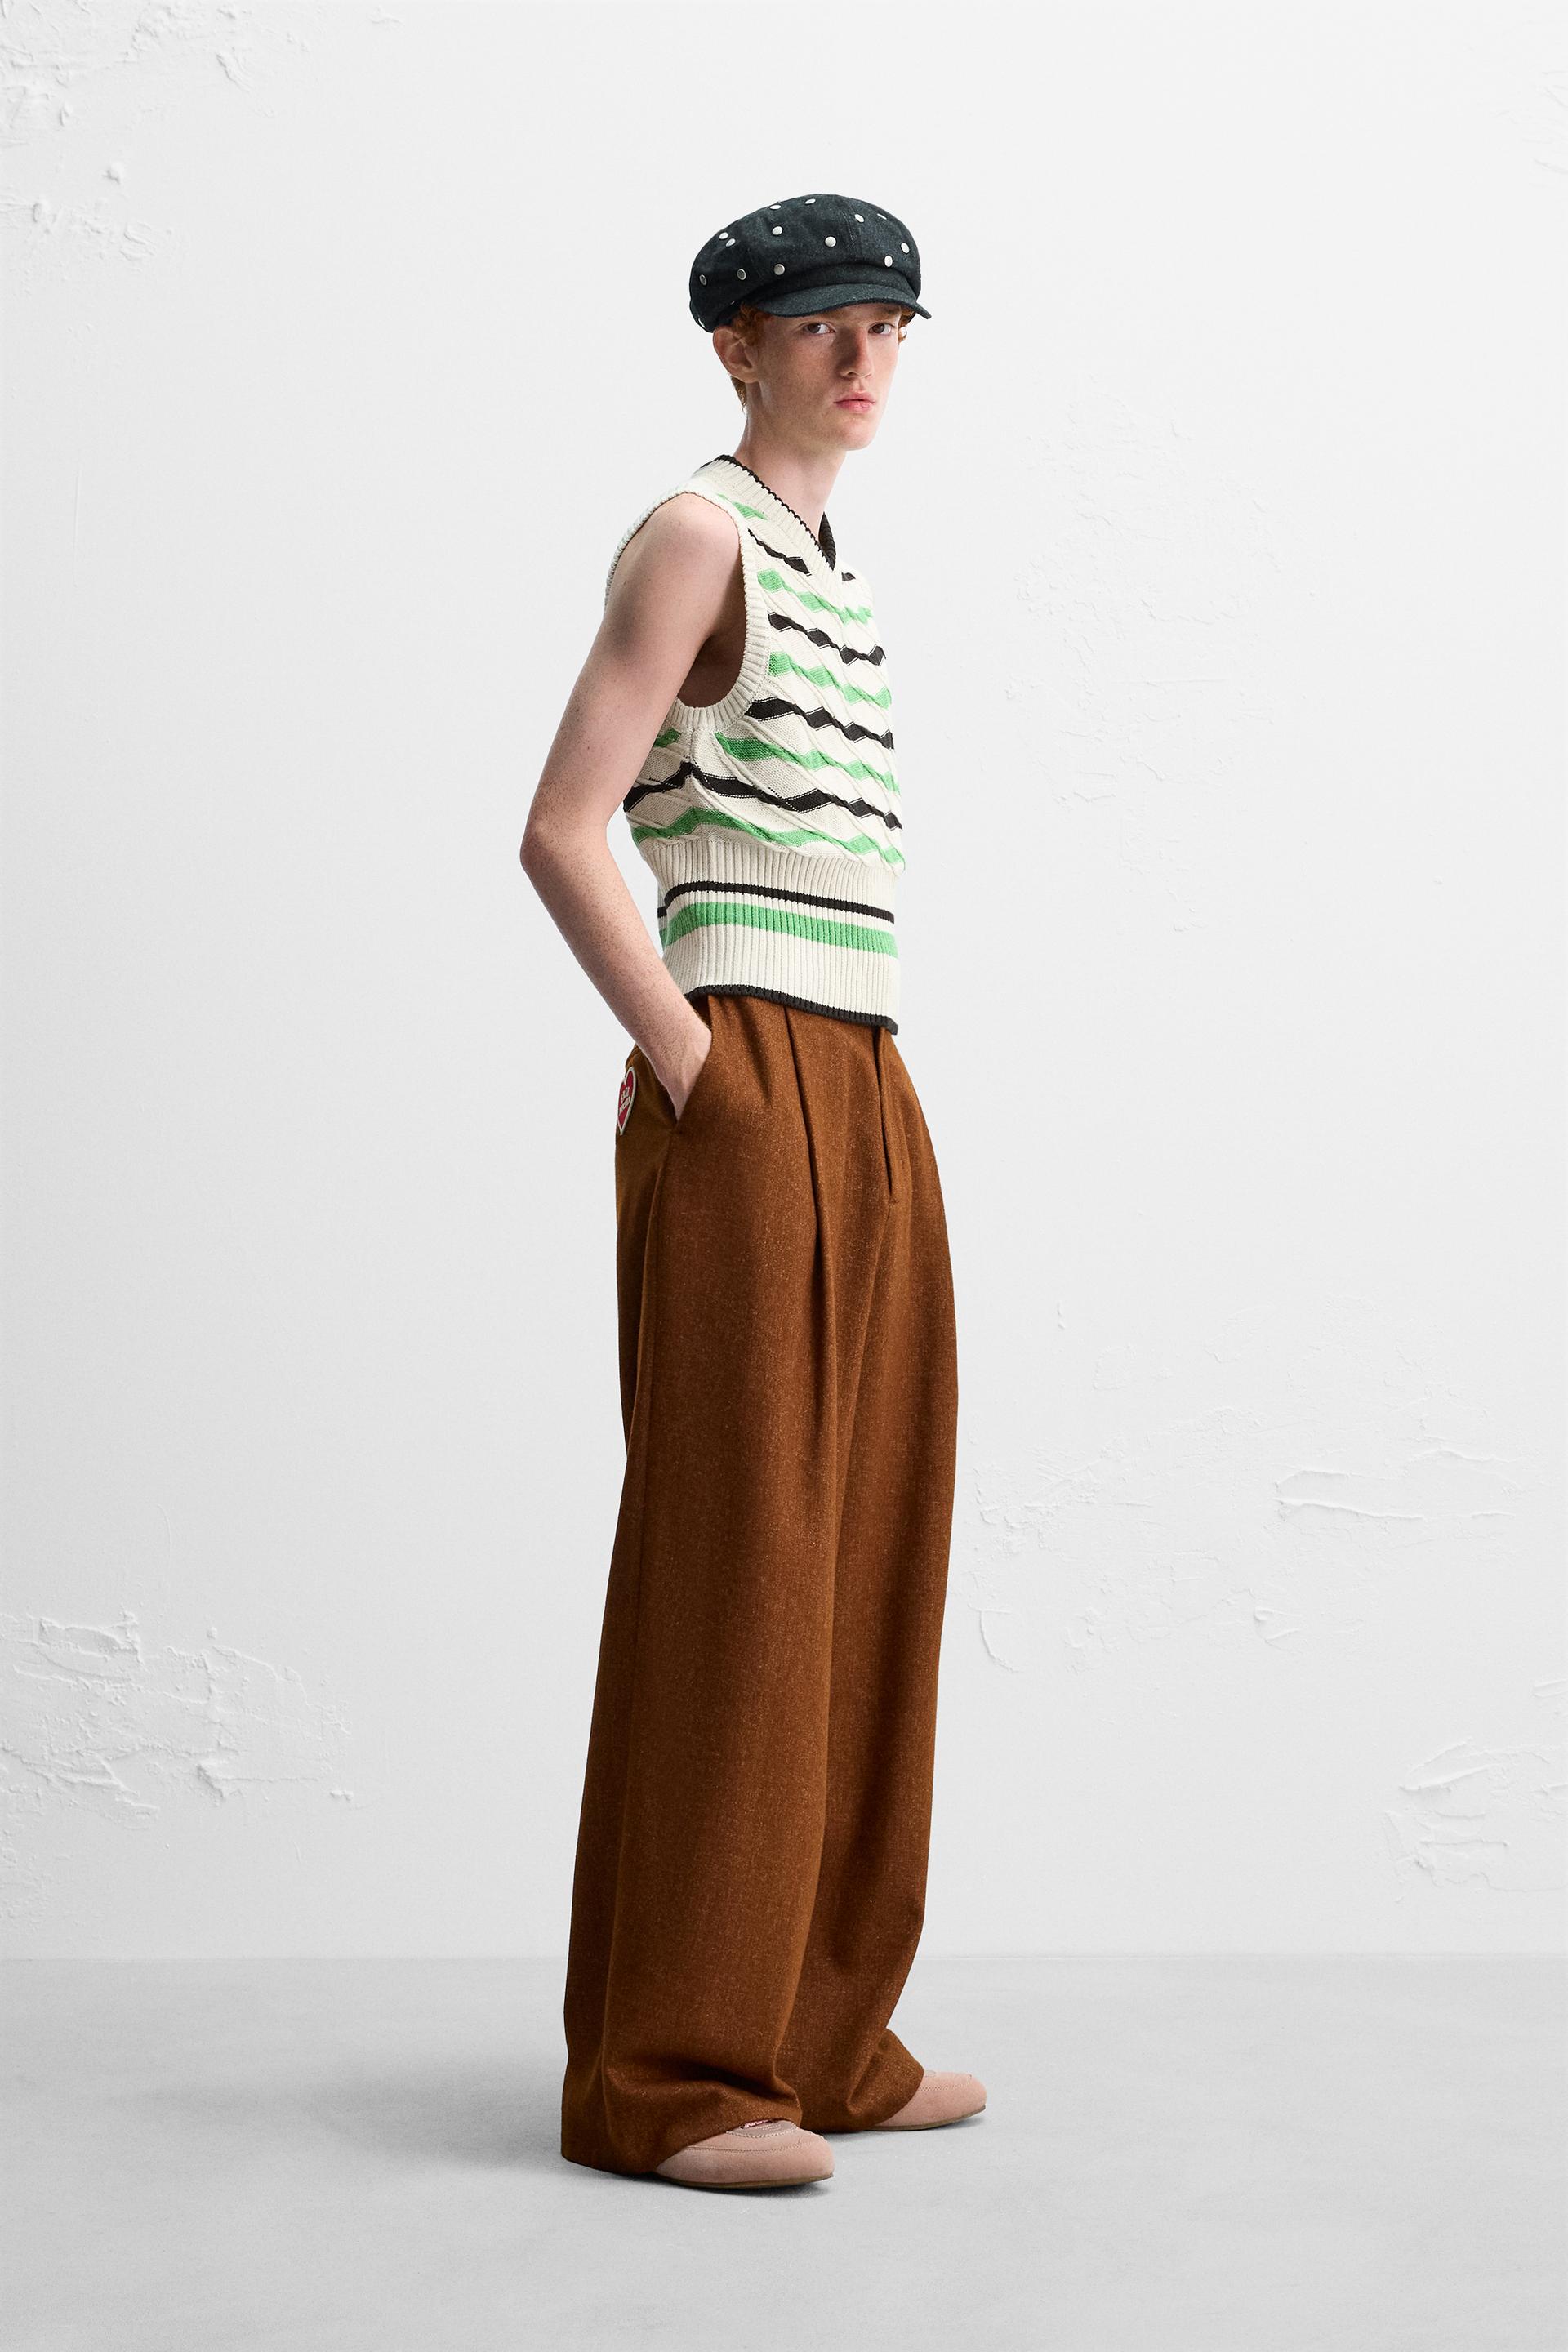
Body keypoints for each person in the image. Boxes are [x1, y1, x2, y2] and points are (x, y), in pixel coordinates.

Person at [519, 191, 983, 2192]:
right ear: (738, 347)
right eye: (818, 327)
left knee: (869, 1547)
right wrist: (705, 1067)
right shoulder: (697, 534)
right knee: (743, 1560)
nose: (861, 359)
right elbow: (562, 829)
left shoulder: (831, 569)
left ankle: (823, 2038)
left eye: (888, 325)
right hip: (758, 1070)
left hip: (866, 1070)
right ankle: (675, 2079)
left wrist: (817, 1090)